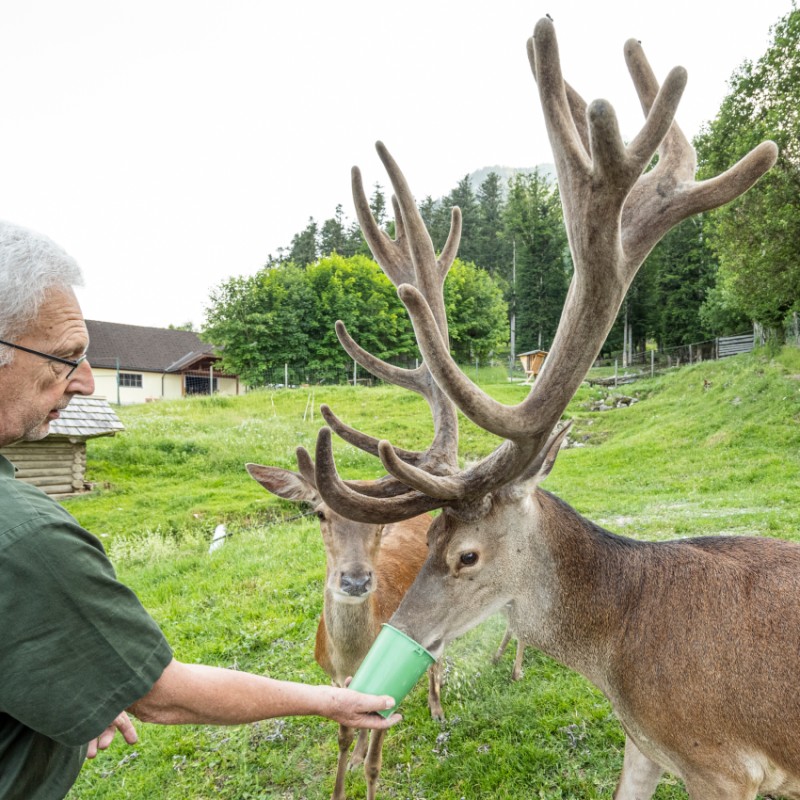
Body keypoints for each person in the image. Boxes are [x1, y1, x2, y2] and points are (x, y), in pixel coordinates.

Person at [0, 219, 400, 800]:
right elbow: (163, 695)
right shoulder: (25, 536)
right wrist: (330, 698)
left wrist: (68, 689)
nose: (86, 383)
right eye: (66, 358)